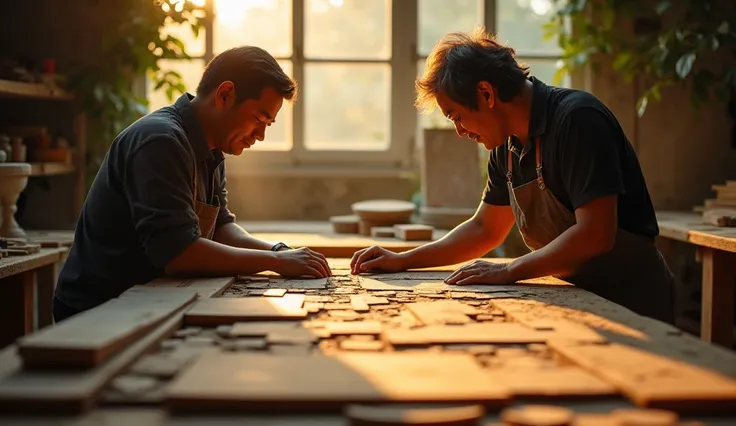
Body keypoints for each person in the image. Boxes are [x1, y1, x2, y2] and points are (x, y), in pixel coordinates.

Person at [350, 29, 675, 324]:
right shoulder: (505, 148)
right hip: (579, 297)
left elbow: (596, 234)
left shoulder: (578, 120)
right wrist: (403, 260)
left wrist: (509, 269)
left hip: (632, 301)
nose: (460, 132)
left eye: (457, 116)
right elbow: (484, 229)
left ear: (486, 94)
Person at [54, 46, 332, 322]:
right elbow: (178, 254)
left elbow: (221, 228)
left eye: (268, 125)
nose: (259, 136)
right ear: (225, 95)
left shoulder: (211, 148)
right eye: (259, 119)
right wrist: (274, 263)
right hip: (98, 310)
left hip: (152, 299)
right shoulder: (161, 141)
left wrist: (278, 251)